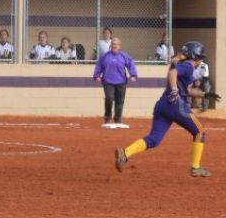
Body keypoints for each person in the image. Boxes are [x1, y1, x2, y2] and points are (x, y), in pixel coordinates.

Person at [115, 42, 221, 177]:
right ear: (195, 56)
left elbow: (187, 89)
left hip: (163, 104)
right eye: (200, 57)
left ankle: (126, 153)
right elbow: (173, 73)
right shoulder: (188, 66)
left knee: (154, 139)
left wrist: (205, 94)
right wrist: (175, 91)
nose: (201, 60)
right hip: (176, 104)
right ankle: (195, 167)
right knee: (200, 132)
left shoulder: (184, 65)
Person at [93, 37, 138, 125]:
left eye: (116, 44)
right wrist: (97, 76)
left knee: (120, 101)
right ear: (110, 45)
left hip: (121, 82)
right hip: (108, 82)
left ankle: (117, 119)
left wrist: (133, 75)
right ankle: (107, 118)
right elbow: (99, 65)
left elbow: (131, 64)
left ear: (119, 46)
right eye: (113, 44)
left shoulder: (124, 56)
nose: (114, 46)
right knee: (109, 98)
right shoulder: (105, 56)